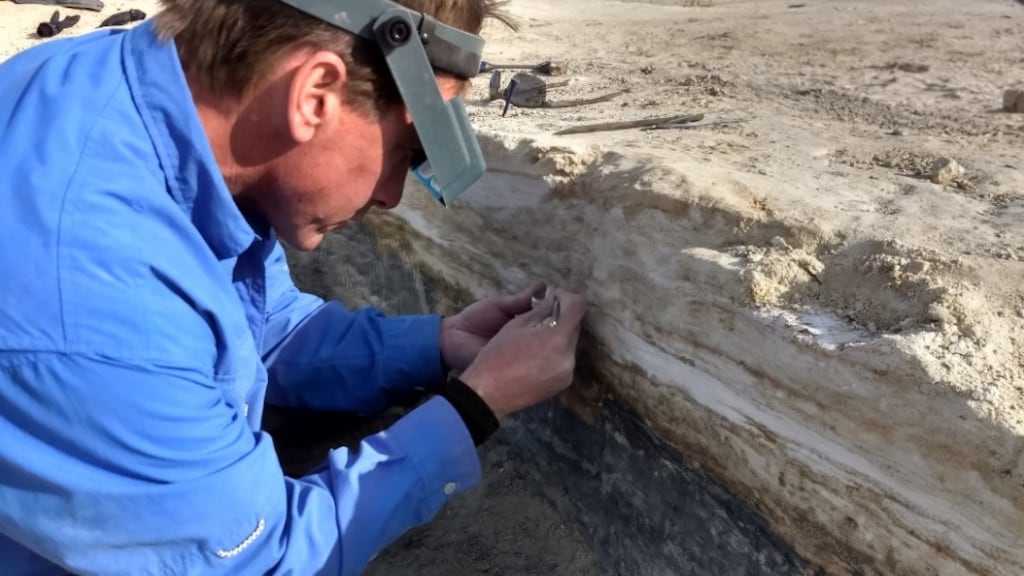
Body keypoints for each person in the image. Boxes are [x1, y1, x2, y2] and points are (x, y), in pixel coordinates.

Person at [0, 0, 586, 574]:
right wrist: (474, 407)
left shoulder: (129, 92)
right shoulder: (96, 307)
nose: (390, 197)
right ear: (313, 95)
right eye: (404, 153)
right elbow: (259, 558)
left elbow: (258, 324)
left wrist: (438, 343)